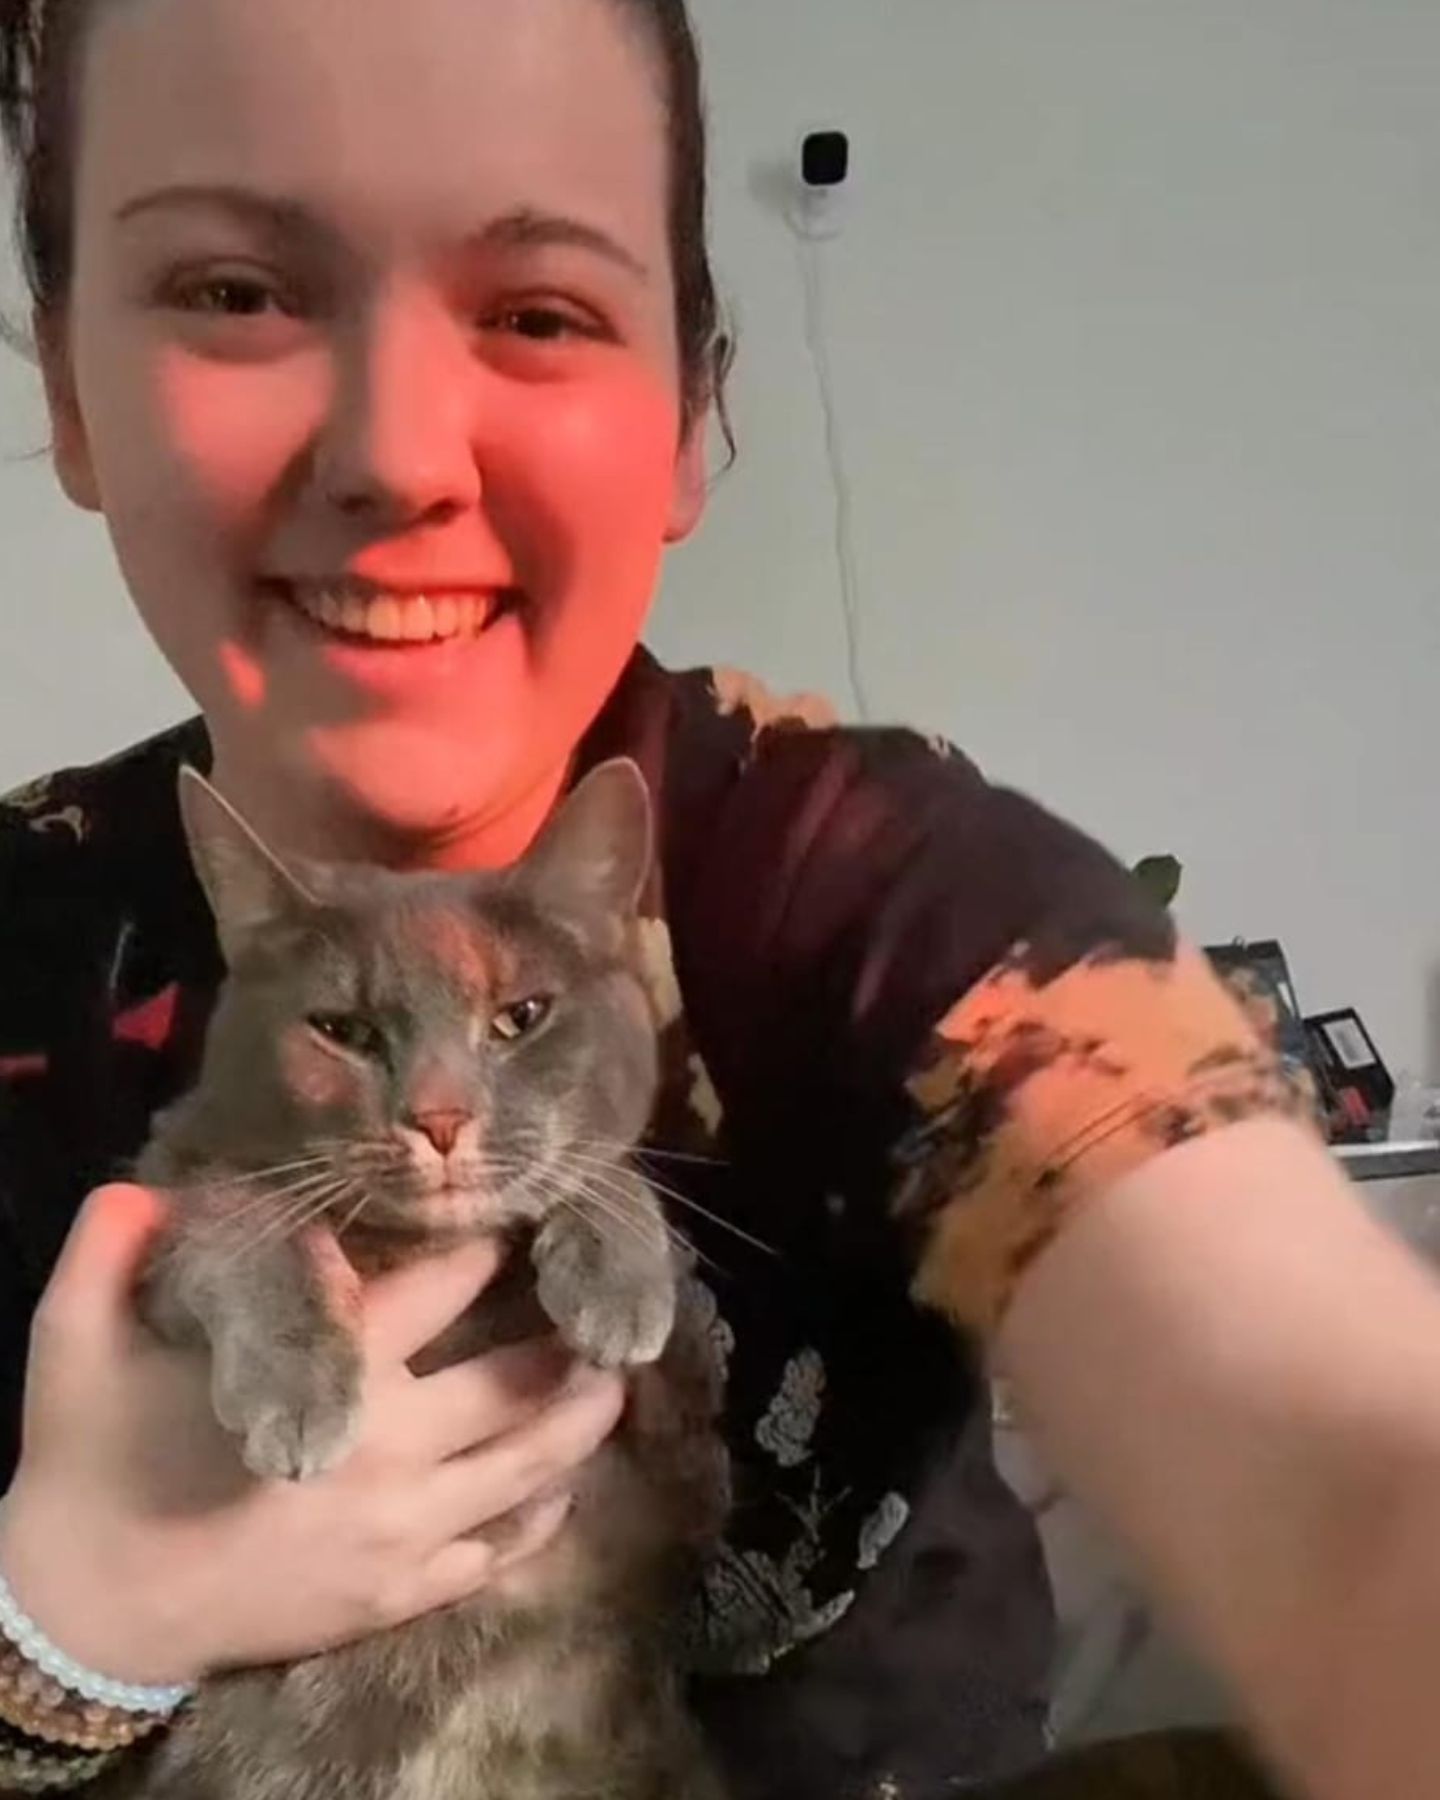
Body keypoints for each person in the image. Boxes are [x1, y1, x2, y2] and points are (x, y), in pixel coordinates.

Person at [0, 2, 1438, 1797]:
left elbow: (1348, 1460)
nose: (395, 455)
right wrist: (56, 1633)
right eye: (234, 289)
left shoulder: (876, 885)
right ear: (65, 382)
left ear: (690, 415)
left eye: (536, 311)